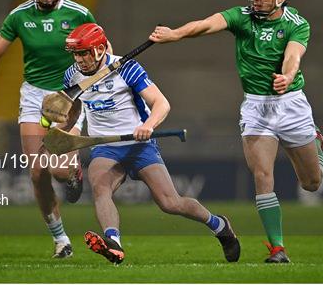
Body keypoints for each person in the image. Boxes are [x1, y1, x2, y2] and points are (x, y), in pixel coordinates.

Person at [149, 0, 323, 263]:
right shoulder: (241, 16)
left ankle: (317, 142)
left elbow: (293, 56)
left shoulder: (297, 23)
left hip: (292, 105)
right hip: (256, 108)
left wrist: (287, 76)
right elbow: (206, 25)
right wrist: (174, 34)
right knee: (262, 175)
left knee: (311, 183)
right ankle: (278, 249)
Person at [60, 23, 240, 264]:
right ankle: (114, 243)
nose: (79, 59)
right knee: (101, 189)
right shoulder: (71, 75)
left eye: (84, 53)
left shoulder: (127, 68)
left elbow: (161, 103)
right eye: (76, 54)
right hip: (105, 146)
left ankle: (219, 225)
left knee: (170, 203)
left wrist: (148, 126)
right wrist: (60, 126)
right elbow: (73, 110)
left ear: (100, 50)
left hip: (139, 145)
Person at [0, 0, 109, 258]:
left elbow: (103, 49)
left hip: (69, 97)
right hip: (34, 98)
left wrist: (102, 85)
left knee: (57, 170)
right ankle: (61, 240)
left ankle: (71, 175)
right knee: (36, 173)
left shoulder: (79, 12)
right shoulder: (19, 16)